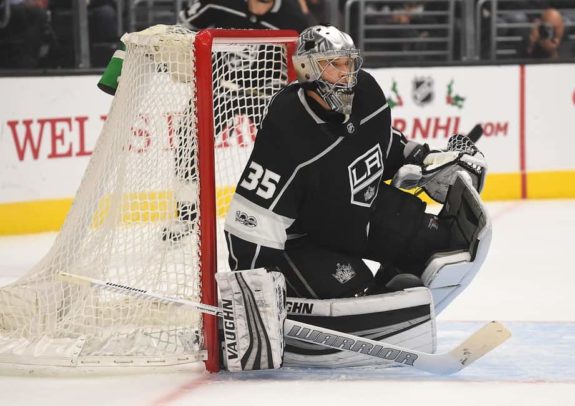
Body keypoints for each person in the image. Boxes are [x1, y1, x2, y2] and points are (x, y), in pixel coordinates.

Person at [223, 24, 486, 300]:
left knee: (443, 244)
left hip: (361, 213)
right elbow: (251, 221)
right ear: (307, 68)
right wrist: (250, 296)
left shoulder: (367, 92)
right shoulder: (288, 127)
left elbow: (382, 144)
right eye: (333, 65)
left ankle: (394, 283)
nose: (346, 73)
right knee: (362, 299)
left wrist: (424, 159)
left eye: (348, 63)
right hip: (307, 240)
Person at [179, 0, 312, 32]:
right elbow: (181, 31)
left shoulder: (294, 20)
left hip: (264, 98)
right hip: (213, 92)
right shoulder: (217, 2)